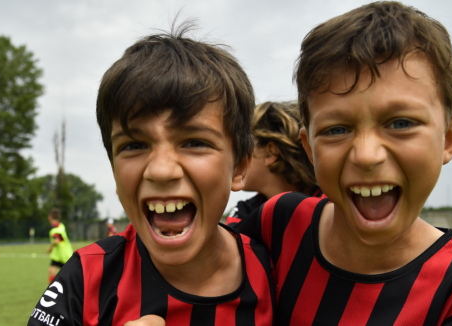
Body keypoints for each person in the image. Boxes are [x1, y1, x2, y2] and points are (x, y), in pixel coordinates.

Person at [236, 2, 452, 325]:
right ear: (310, 149)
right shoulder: (280, 223)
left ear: (449, 138)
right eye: (337, 130)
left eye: (401, 123)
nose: (367, 155)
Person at [28, 21, 274, 326]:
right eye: (133, 145)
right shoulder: (86, 276)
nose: (160, 170)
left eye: (195, 142)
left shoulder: (278, 274)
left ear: (239, 167)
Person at [226, 101, 323, 227]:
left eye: (242, 146)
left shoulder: (331, 207)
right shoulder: (244, 213)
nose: (234, 156)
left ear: (270, 153)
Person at [46, 208, 73, 284]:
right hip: (58, 255)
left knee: (68, 276)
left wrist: (50, 248)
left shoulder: (53, 229)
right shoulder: (61, 226)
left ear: (50, 217)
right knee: (51, 270)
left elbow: (56, 240)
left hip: (64, 255)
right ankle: (52, 290)